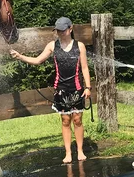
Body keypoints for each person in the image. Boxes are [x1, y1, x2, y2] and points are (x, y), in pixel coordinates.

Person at [10, 17, 92, 163]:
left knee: (78, 120)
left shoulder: (79, 46)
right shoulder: (53, 46)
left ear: (70, 29)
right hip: (61, 89)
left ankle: (80, 151)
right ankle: (68, 153)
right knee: (66, 120)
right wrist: (20, 57)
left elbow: (85, 68)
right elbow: (37, 60)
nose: (60, 33)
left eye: (63, 30)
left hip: (77, 88)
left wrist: (88, 87)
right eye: (58, 30)